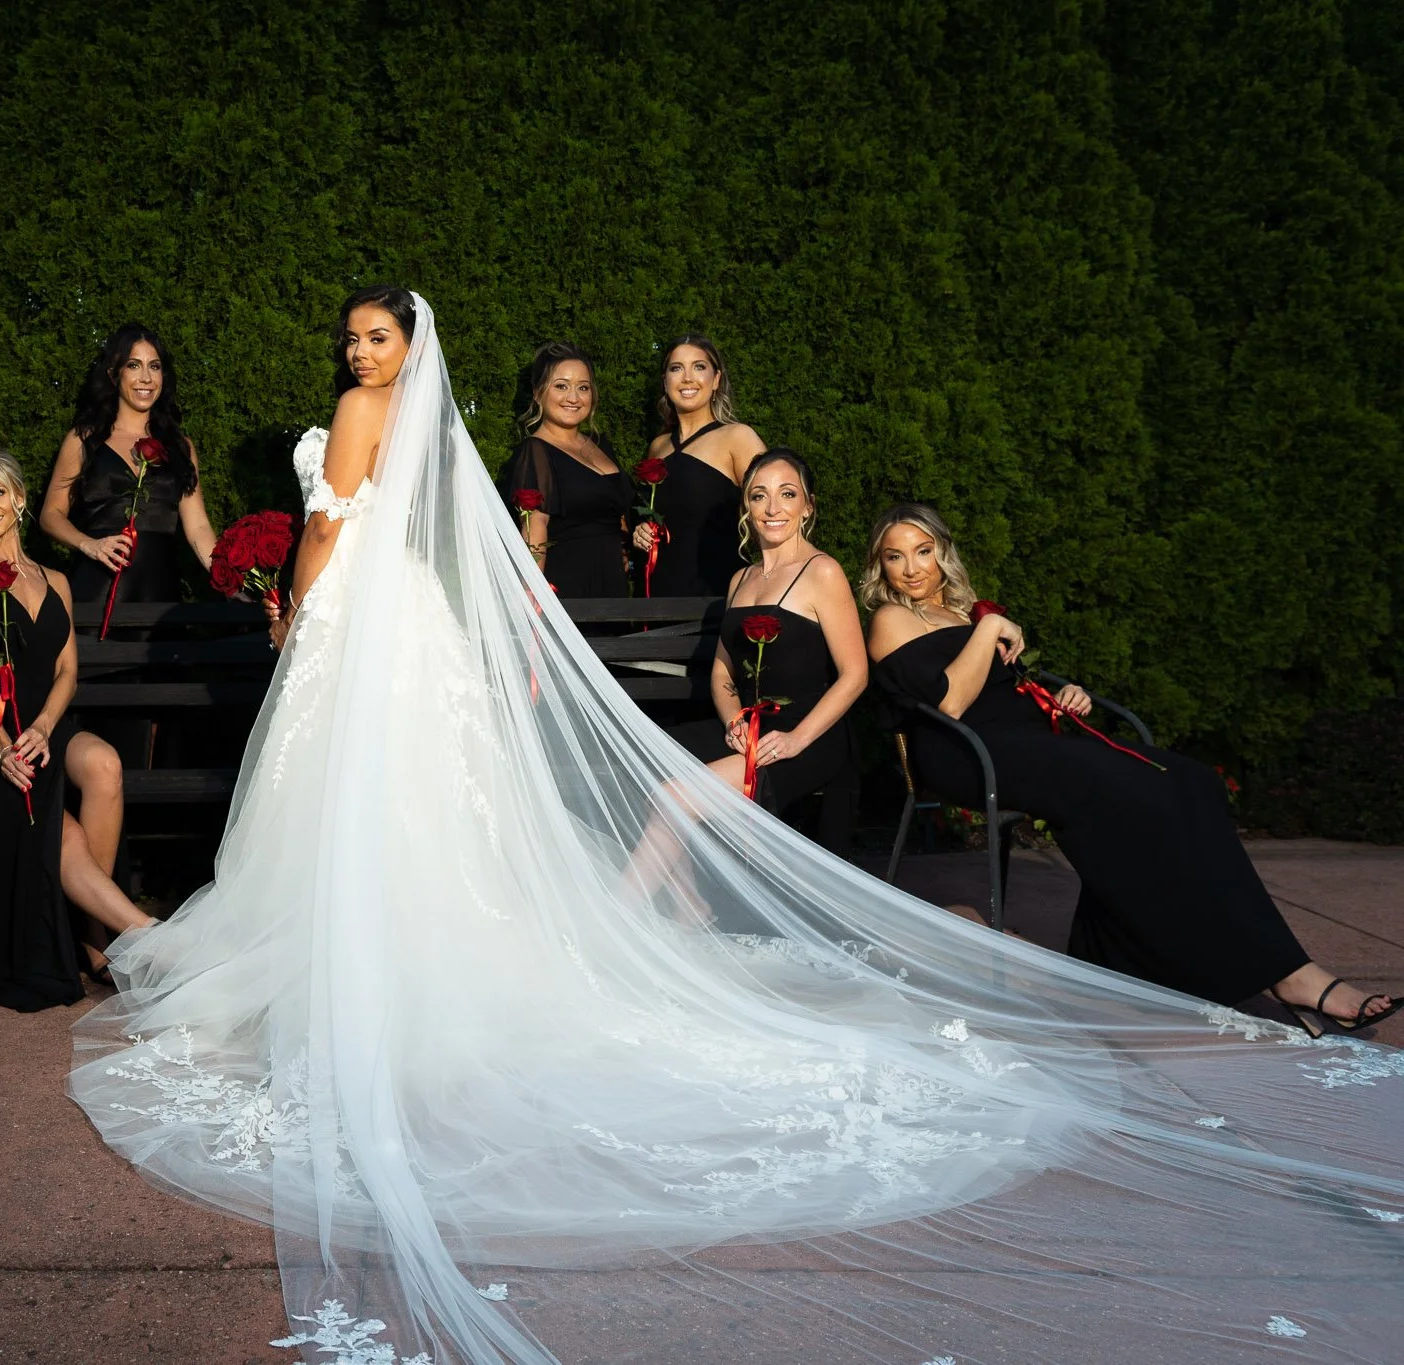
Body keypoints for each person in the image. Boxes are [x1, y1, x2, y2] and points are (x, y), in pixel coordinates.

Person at [70, 290, 1404, 1364]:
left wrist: (301, 608)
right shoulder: (425, 417)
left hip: (370, 623)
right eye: (354, 336)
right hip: (412, 622)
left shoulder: (369, 414)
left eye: (376, 335)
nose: (359, 353)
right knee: (403, 808)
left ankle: (357, 969)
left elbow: (329, 527)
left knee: (358, 797)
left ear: (401, 351)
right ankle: (389, 957)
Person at [865, 502, 1395, 1026]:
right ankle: (1287, 973)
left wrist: (1057, 695)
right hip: (964, 753)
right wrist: (989, 628)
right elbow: (952, 703)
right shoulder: (891, 619)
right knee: (1121, 785)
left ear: (943, 552)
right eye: (895, 557)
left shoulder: (964, 611)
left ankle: (1121, 958)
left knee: (1191, 780)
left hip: (1024, 743)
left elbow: (1004, 690)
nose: (912, 569)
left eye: (923, 551)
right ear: (880, 564)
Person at [0, 447, 154, 1010]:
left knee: (103, 763)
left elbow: (68, 671)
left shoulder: (54, 578)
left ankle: (95, 932)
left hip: (43, 723)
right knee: (62, 832)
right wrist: (4, 747)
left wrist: (48, 726)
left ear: (20, 497)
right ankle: (141, 938)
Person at [667, 448, 863, 848]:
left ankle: (640, 907)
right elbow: (723, 672)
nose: (773, 507)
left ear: (808, 507)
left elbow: (855, 674)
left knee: (676, 797)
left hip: (807, 737)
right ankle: (691, 903)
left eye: (788, 494)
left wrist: (798, 739)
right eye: (759, 495)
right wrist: (732, 723)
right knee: (641, 764)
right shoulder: (740, 578)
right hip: (750, 730)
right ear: (747, 506)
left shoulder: (822, 571)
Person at [38, 323, 219, 608]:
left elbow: (198, 527)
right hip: (94, 591)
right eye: (134, 365)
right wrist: (90, 545)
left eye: (155, 366)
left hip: (159, 597)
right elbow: (51, 514)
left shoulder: (181, 447)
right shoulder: (83, 439)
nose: (146, 378)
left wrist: (231, 581)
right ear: (114, 374)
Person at [633, 334, 766, 596]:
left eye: (699, 367)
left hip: (716, 597)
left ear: (716, 380)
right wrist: (641, 532)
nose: (687, 378)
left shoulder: (738, 437)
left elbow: (771, 516)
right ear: (665, 381)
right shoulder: (657, 447)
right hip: (657, 596)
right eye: (676, 368)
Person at [499, 342, 631, 599]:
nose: (573, 397)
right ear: (538, 393)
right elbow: (535, 529)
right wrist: (533, 604)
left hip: (614, 589)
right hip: (568, 592)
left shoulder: (601, 445)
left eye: (583, 387)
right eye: (561, 386)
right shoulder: (535, 451)